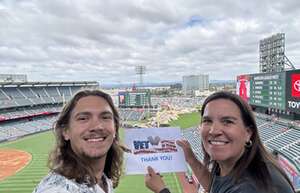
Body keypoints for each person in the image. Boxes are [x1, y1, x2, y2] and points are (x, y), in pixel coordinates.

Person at [145, 91, 296, 193]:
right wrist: (190, 158)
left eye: (227, 121)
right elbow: (216, 186)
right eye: (207, 121)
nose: (214, 130)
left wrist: (162, 190)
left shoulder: (251, 187)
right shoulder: (235, 163)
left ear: (248, 133)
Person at [33, 89, 126, 193]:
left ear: (115, 129)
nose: (97, 126)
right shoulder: (56, 190)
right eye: (83, 118)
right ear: (66, 131)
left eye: (105, 117)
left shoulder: (103, 179)